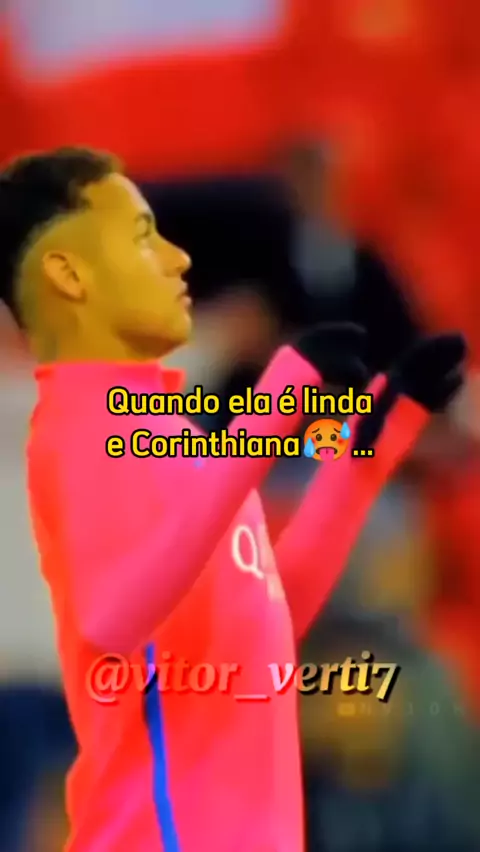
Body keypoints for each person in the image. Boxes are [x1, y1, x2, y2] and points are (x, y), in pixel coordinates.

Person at [0, 147, 465, 852]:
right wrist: (272, 414)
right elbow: (110, 620)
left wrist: (372, 447)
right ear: (70, 275)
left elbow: (271, 619)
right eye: (142, 238)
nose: (179, 258)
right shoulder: (78, 426)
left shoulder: (177, 430)